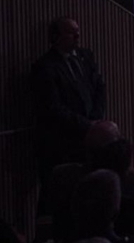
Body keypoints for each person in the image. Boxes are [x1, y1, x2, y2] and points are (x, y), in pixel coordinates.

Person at [31, 17, 104, 183]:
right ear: (56, 37)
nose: (77, 36)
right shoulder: (45, 66)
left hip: (90, 137)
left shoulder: (86, 56)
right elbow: (52, 107)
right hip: (62, 142)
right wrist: (86, 125)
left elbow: (99, 87)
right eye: (71, 33)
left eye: (77, 31)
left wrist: (96, 120)